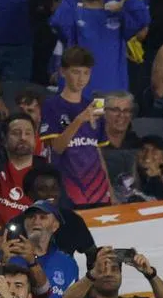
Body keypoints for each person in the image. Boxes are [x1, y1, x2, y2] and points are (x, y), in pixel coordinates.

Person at [51, 0, 149, 95]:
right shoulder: (73, 14)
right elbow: (58, 22)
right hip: (78, 99)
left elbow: (143, 19)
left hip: (111, 101)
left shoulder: (117, 15)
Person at [40, 47, 111, 209]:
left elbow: (98, 152)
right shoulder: (51, 105)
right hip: (67, 190)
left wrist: (110, 189)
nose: (81, 79)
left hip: (98, 191)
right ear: (63, 72)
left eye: (86, 73)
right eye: (76, 72)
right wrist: (79, 120)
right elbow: (56, 148)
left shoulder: (94, 106)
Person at [10, 199, 78, 298]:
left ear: (55, 225)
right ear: (25, 224)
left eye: (43, 217)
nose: (36, 221)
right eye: (31, 217)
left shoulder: (68, 262)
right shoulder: (12, 257)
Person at [0, 113, 46, 228]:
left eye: (28, 133)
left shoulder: (47, 175)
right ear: (4, 140)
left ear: (35, 139)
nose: (23, 137)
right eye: (16, 133)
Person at [22, 166, 95, 259]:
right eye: (43, 189)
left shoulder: (73, 220)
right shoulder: (19, 223)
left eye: (54, 188)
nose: (50, 193)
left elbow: (92, 253)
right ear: (30, 193)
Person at [115, 133, 163, 202]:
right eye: (143, 150)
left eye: (154, 151)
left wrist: (157, 178)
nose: (147, 157)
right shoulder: (125, 180)